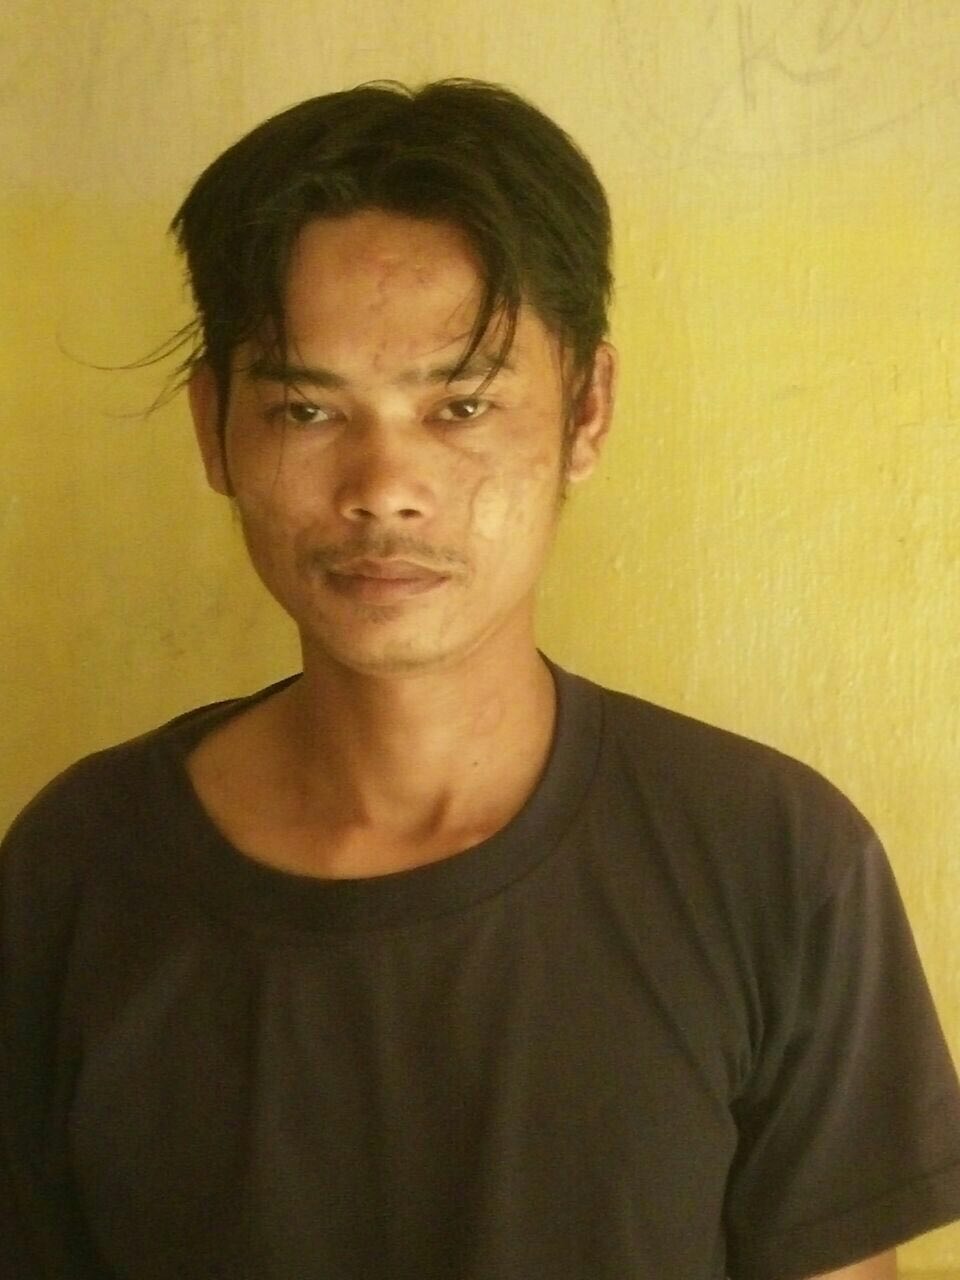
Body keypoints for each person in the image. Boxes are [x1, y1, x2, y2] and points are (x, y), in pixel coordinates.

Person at [2, 78, 959, 1280]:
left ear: (588, 411)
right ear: (215, 428)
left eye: (461, 404)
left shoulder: (773, 861)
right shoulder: (78, 869)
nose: (384, 488)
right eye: (306, 408)